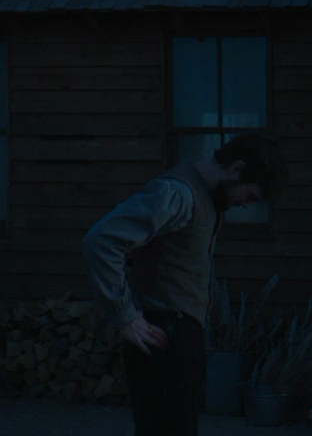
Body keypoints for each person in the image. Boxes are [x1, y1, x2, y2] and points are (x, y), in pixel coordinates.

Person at [83, 133, 289, 436]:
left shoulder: (205, 196)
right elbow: (102, 240)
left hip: (179, 335)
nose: (246, 205)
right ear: (236, 168)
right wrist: (125, 316)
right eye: (250, 196)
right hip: (162, 333)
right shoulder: (178, 194)